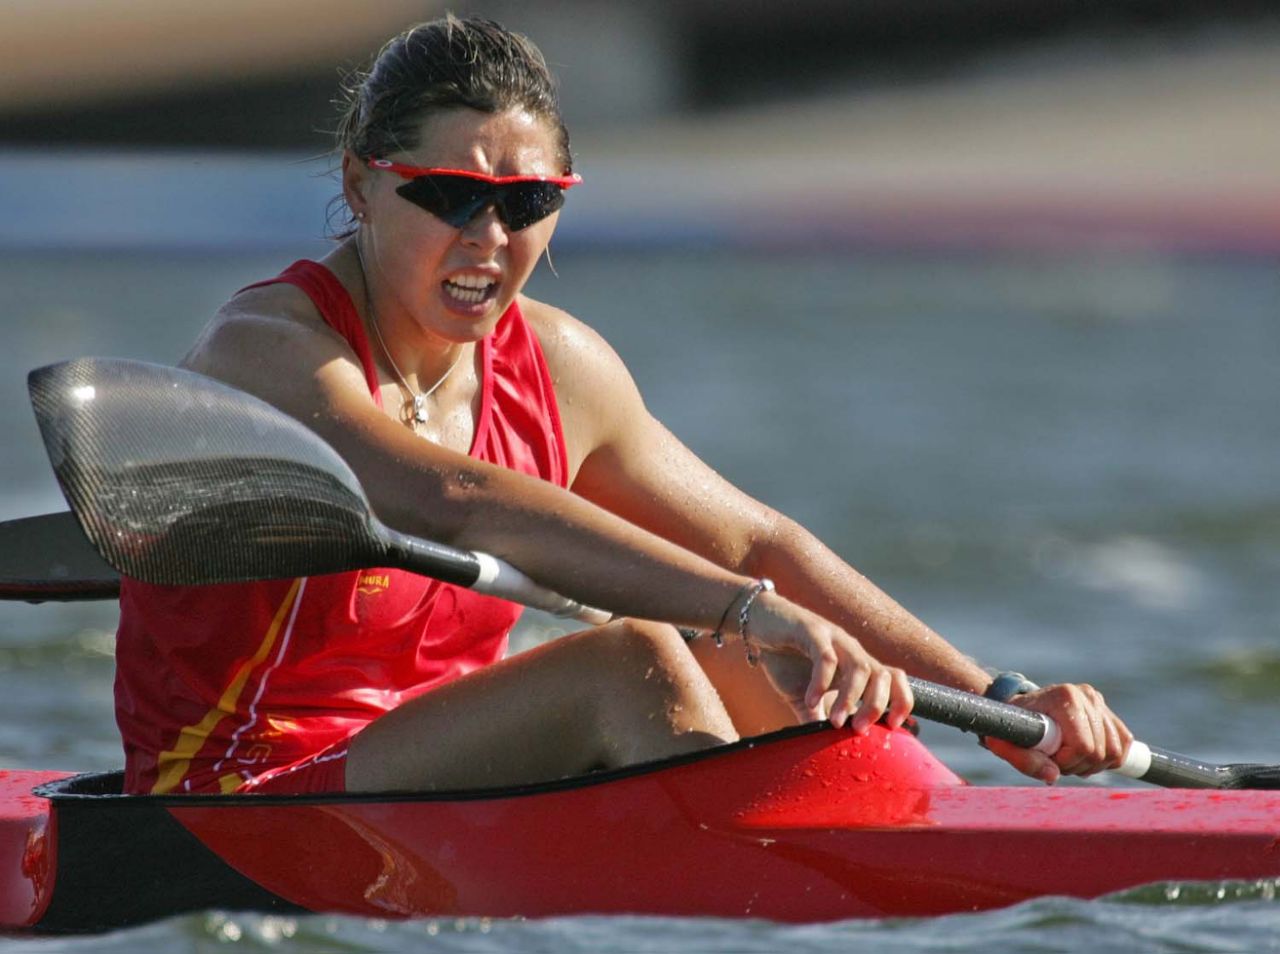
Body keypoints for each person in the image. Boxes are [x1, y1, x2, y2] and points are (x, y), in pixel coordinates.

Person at [114, 15, 1132, 796]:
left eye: (526, 202)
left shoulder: (561, 367)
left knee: (786, 669)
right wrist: (747, 609)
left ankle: (925, 849)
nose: (487, 237)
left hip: (432, 765)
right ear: (360, 184)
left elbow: (755, 545)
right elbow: (456, 499)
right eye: (448, 194)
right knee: (635, 658)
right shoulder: (271, 351)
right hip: (241, 791)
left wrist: (997, 700)